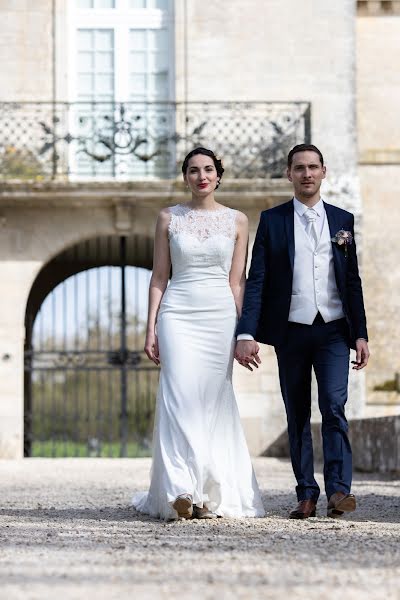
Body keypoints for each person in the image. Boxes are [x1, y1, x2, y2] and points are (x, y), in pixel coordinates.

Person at [235, 144, 369, 520]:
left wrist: (361, 333)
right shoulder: (272, 221)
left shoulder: (343, 219)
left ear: (324, 172)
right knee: (296, 412)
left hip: (333, 330)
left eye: (313, 167)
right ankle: (306, 493)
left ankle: (339, 490)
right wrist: (246, 332)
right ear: (288, 174)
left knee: (333, 407)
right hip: (291, 330)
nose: (307, 173)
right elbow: (256, 280)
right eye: (299, 168)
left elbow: (352, 282)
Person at [133, 147, 265, 520]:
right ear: (185, 177)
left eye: (208, 170)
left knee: (211, 400)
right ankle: (180, 488)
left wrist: (245, 332)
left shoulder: (238, 221)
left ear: (218, 176)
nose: (201, 176)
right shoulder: (167, 218)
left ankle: (208, 492)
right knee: (177, 395)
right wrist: (150, 328)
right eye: (193, 170)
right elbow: (159, 277)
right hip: (177, 313)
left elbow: (237, 281)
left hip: (220, 316)